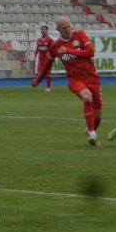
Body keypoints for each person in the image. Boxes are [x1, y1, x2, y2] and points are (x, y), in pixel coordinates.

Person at [32, 15, 102, 146]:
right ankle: (92, 135)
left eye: (69, 26)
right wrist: (38, 79)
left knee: (98, 116)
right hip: (75, 79)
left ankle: (90, 129)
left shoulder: (80, 34)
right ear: (58, 29)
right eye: (64, 28)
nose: (68, 29)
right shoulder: (56, 46)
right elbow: (48, 64)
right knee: (87, 97)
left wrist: (70, 50)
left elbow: (90, 52)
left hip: (92, 77)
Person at [32, 24, 56, 92]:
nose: (43, 31)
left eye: (44, 29)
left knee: (47, 74)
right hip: (40, 59)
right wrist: (34, 56)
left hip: (47, 59)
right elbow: (37, 48)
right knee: (40, 74)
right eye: (42, 29)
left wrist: (50, 53)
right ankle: (38, 82)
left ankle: (48, 87)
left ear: (47, 31)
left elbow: (53, 47)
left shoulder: (50, 39)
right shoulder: (39, 40)